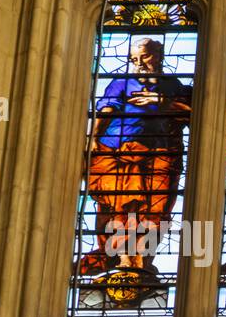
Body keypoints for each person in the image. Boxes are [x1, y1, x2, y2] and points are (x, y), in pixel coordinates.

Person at [81, 37, 192, 278]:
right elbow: (105, 109)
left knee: (155, 208)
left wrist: (161, 101)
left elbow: (195, 113)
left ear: (159, 56)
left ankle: (142, 259)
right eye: (134, 59)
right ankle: (123, 258)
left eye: (145, 57)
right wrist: (92, 138)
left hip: (160, 153)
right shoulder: (121, 82)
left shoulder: (172, 85)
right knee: (121, 206)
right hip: (118, 151)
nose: (139, 63)